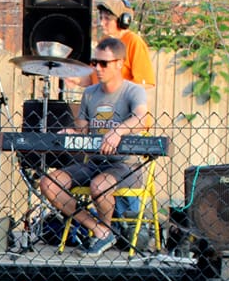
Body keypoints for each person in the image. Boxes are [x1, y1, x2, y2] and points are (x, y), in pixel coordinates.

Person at [40, 36, 149, 255]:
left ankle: (106, 230)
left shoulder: (133, 91)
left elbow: (141, 117)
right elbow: (82, 128)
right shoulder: (90, 93)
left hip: (124, 164)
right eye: (94, 62)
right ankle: (100, 230)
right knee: (49, 183)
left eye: (103, 63)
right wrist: (71, 132)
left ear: (119, 63)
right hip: (94, 162)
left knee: (99, 186)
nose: (97, 68)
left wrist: (117, 132)